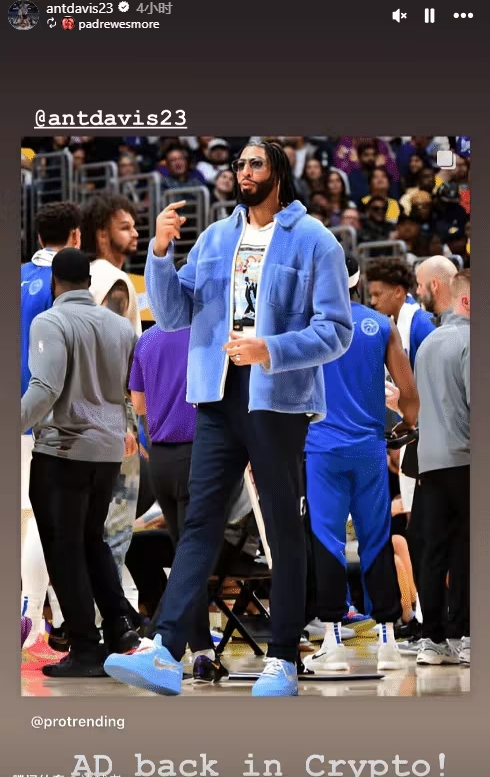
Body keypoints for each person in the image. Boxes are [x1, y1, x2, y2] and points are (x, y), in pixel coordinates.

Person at [104, 140, 353, 697]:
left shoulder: (315, 239)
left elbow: (336, 331)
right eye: (239, 164)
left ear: (278, 172)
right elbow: (172, 315)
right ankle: (165, 649)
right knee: (199, 523)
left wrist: (271, 348)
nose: (243, 171)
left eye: (254, 163)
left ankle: (283, 658)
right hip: (215, 395)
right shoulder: (216, 236)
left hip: (278, 396)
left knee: (282, 528)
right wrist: (160, 254)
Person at [21, 248, 140, 678]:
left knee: (63, 549)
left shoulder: (50, 321)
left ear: (55, 283)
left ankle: (86, 648)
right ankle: (120, 627)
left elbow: (45, 387)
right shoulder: (120, 327)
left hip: (63, 451)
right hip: (107, 453)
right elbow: (128, 389)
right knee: (91, 540)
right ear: (89, 282)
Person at [304, 256, 419, 673]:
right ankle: (387, 640)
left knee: (328, 541)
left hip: (322, 450)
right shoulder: (381, 325)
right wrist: (406, 424)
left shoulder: (310, 328)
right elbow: (409, 394)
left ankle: (332, 641)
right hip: (370, 449)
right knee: (376, 539)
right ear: (357, 282)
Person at [20, 202, 82, 653]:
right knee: (46, 524)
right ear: (76, 236)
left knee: (23, 522)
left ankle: (46, 621)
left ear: (38, 237)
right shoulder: (63, 284)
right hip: (46, 417)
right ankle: (33, 626)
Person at [414, 269, 470, 667]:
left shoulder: (428, 342)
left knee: (433, 551)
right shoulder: (471, 341)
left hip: (429, 462)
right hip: (466, 458)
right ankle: (467, 634)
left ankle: (431, 639)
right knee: (468, 549)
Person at [365, 256, 435, 516]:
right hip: (411, 430)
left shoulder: (421, 325)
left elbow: (436, 387)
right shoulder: (391, 325)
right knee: (411, 510)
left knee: (421, 513)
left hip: (428, 433)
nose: (373, 301)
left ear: (397, 292)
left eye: (377, 294)